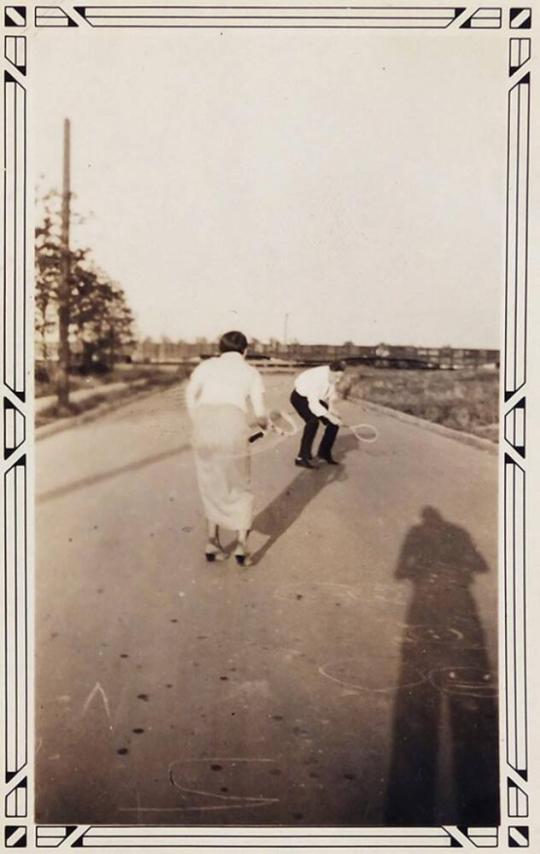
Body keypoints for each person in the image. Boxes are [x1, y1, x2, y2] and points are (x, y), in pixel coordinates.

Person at [186, 331, 268, 566]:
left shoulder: (206, 366)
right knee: (239, 485)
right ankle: (241, 547)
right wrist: (265, 423)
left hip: (203, 424)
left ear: (220, 349)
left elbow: (191, 394)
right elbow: (260, 414)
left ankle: (212, 540)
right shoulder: (251, 372)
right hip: (233, 424)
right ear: (245, 351)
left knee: (210, 483)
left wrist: (197, 421)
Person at [290, 360, 346, 468]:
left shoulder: (332, 375)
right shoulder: (317, 379)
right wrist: (330, 416)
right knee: (312, 422)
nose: (338, 380)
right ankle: (301, 457)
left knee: (334, 423)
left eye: (340, 377)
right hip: (300, 398)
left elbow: (331, 392)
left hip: (313, 399)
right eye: (337, 377)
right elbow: (314, 405)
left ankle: (324, 453)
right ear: (331, 371)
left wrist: (332, 409)